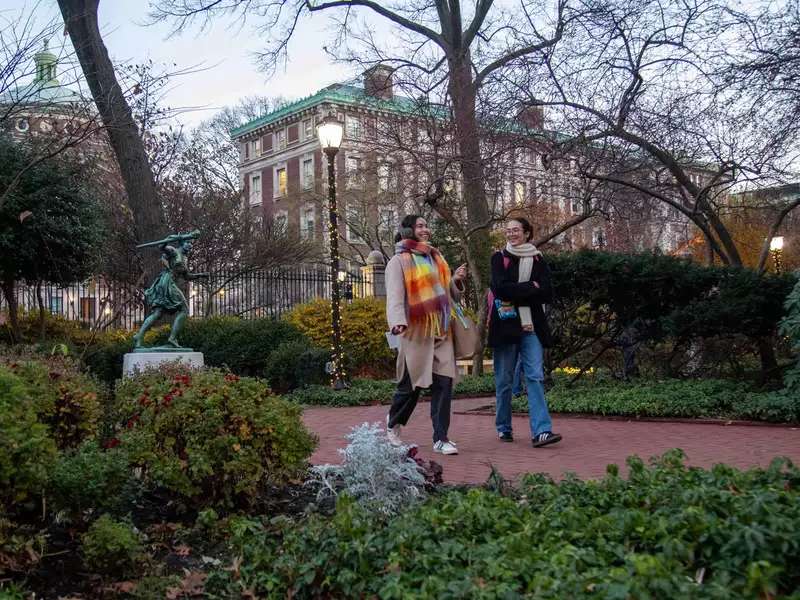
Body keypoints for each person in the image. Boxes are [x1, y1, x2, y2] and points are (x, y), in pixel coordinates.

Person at [385, 215, 468, 455]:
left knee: (444, 383)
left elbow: (445, 293)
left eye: (425, 225)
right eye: (420, 226)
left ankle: (441, 438)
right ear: (408, 230)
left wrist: (455, 281)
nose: (425, 229)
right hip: (416, 331)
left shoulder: (436, 257)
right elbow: (394, 296)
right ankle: (393, 422)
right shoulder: (398, 261)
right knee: (411, 385)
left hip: (441, 329)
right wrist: (397, 322)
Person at [488, 217, 562, 447]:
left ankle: (541, 431)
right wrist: (532, 287)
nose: (511, 234)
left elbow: (548, 292)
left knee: (535, 377)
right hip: (506, 326)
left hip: (532, 327)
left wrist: (518, 291)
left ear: (527, 233)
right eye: (508, 231)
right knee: (504, 381)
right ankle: (504, 427)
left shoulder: (537, 259)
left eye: (516, 230)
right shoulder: (499, 258)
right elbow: (500, 290)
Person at [132, 231, 208, 349]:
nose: (190, 245)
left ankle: (139, 336)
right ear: (181, 243)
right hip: (166, 282)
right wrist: (170, 238)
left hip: (168, 283)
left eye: (191, 243)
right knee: (184, 309)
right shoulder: (173, 251)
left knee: (158, 314)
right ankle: (172, 338)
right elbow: (161, 246)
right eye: (187, 242)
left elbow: (187, 276)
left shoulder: (184, 258)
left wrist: (201, 275)